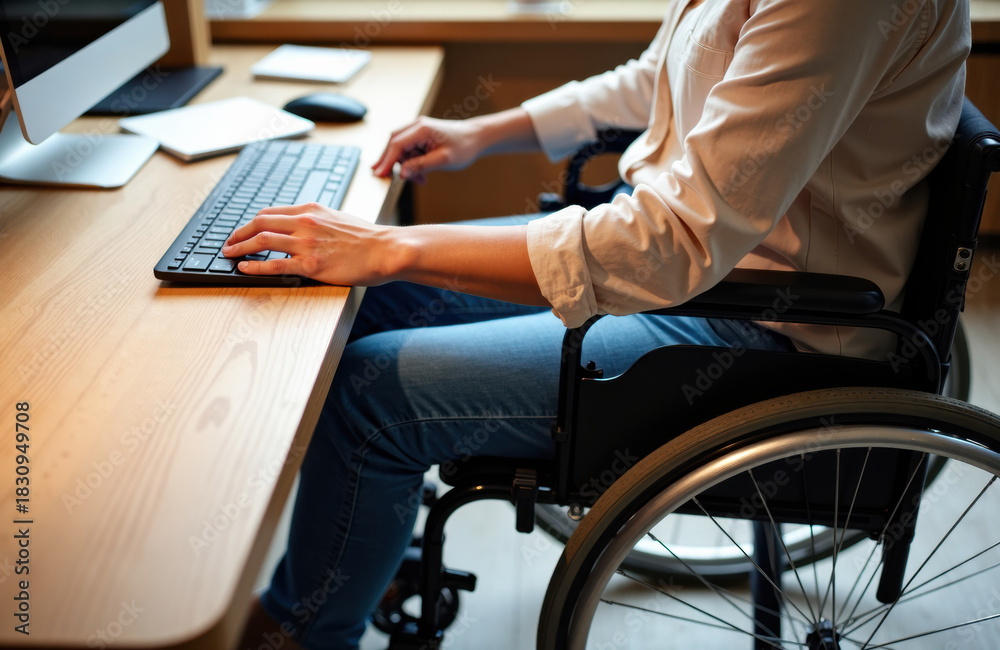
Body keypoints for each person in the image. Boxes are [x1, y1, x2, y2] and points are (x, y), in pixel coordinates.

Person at [232, 0, 970, 647]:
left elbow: (670, 244)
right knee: (372, 304)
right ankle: (359, 569)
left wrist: (392, 247)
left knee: (371, 392)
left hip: (763, 324)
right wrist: (488, 132)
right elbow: (663, 78)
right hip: (703, 274)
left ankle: (302, 634)